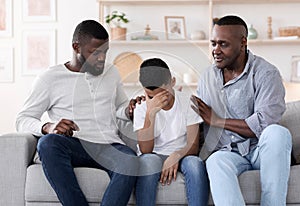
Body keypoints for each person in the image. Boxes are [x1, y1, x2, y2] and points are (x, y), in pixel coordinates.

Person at [16, 20, 138, 206]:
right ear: (76, 47)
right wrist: (48, 126)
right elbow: (22, 119)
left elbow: (119, 107)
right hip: (74, 144)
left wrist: (129, 110)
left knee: (129, 159)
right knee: (48, 144)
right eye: (95, 52)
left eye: (105, 52)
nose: (102, 59)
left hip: (108, 145)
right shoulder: (50, 78)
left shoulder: (112, 72)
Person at [191, 15, 292, 206]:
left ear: (243, 42)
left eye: (223, 44)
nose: (216, 50)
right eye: (213, 43)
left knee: (277, 133)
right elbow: (196, 117)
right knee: (215, 161)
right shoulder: (207, 77)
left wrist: (218, 121)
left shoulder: (266, 73)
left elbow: (263, 125)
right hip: (228, 152)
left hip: (260, 151)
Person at [133, 58, 209, 206]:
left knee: (195, 164)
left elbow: (193, 146)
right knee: (148, 161)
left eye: (163, 94)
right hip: (153, 155)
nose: (158, 100)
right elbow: (146, 150)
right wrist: (151, 113)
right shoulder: (142, 107)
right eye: (151, 96)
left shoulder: (188, 102)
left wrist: (176, 155)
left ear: (172, 82)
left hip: (183, 154)